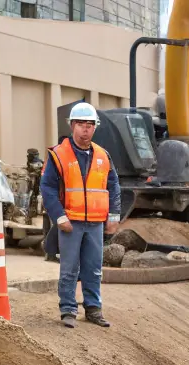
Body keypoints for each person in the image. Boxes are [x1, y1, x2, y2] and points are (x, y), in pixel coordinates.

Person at [40, 102, 121, 328]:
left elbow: (114, 186)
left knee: (93, 268)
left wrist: (114, 217)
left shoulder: (103, 156)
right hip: (70, 222)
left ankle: (93, 309)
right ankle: (68, 309)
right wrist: (59, 217)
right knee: (69, 268)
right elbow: (46, 188)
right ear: (72, 125)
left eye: (90, 124)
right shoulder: (59, 155)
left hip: (95, 223)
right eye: (81, 124)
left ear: (95, 127)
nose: (86, 129)